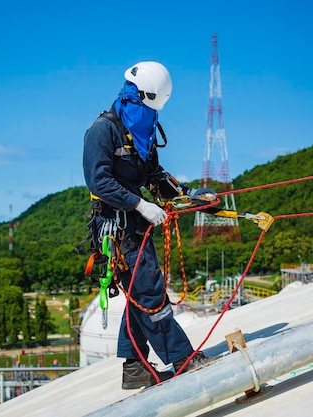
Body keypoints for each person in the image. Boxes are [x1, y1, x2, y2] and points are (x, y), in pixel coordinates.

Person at [82, 61, 215, 390]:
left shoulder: (140, 131)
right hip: (117, 228)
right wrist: (140, 204)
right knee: (150, 294)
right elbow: (99, 181)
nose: (152, 115)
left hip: (138, 225)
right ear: (134, 97)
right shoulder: (103, 131)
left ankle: (135, 367)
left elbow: (154, 176)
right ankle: (183, 359)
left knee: (141, 295)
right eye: (147, 107)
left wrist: (187, 196)